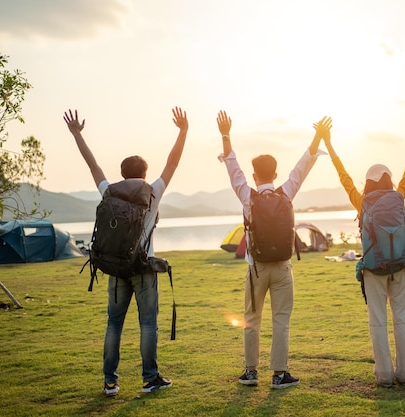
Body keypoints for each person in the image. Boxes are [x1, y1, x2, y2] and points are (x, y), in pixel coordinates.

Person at [63, 107, 189, 396]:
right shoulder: (152, 191)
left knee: (114, 324)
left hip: (116, 267)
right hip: (144, 269)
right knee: (147, 324)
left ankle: (110, 381)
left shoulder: (110, 192)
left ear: (122, 174)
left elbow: (93, 166)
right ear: (144, 174)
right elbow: (173, 162)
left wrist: (77, 135)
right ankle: (150, 378)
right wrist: (183, 131)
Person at [322, 116, 405, 387]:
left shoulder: (361, 201)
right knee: (403, 321)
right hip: (400, 267)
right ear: (389, 179)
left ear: (368, 182)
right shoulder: (398, 195)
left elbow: (343, 176)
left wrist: (329, 144)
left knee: (377, 322)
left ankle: (385, 376)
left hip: (373, 269)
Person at [216, 110, 331, 389]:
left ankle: (251, 373)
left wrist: (225, 135)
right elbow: (303, 167)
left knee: (251, 319)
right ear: (276, 174)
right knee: (281, 320)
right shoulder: (286, 192)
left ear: (254, 176)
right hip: (282, 267)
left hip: (255, 269)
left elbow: (233, 168)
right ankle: (280, 374)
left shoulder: (248, 195)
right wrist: (317, 136)